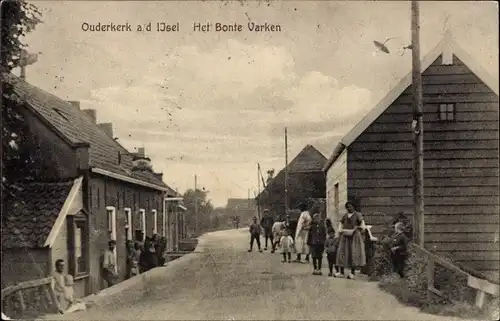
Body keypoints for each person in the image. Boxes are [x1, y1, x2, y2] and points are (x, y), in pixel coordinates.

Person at [336, 201, 367, 279]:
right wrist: (340, 231)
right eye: (347, 207)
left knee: (353, 253)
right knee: (342, 252)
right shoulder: (345, 216)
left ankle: (352, 273)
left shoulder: (358, 215)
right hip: (345, 236)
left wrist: (358, 228)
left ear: (354, 207)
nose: (349, 208)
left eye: (350, 206)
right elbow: (341, 225)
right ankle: (341, 272)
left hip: (354, 237)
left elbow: (363, 226)